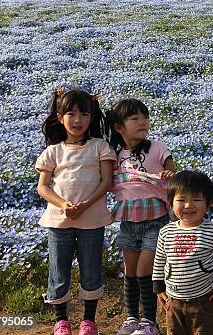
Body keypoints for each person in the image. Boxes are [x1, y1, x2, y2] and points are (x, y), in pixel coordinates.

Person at [36, 89, 116, 335]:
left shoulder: (100, 146)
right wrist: (64, 205)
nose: (77, 119)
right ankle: (61, 321)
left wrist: (85, 204)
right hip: (59, 220)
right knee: (58, 271)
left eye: (84, 114)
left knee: (91, 270)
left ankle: (88, 321)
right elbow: (42, 187)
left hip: (92, 219)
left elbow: (106, 182)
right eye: (71, 114)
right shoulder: (53, 151)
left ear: (92, 118)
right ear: (60, 117)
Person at [106, 99, 176, 335]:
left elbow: (171, 170)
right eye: (134, 118)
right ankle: (131, 318)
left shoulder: (156, 147)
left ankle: (150, 321)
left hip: (155, 220)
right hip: (128, 222)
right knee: (130, 271)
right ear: (118, 127)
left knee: (145, 270)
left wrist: (168, 172)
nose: (142, 122)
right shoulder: (114, 153)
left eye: (144, 117)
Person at [153, 171, 213, 335]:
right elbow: (159, 261)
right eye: (181, 200)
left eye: (197, 199)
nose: (188, 205)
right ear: (171, 203)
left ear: (209, 203)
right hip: (173, 299)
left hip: (203, 300)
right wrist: (159, 288)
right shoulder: (166, 232)